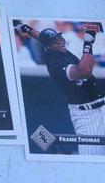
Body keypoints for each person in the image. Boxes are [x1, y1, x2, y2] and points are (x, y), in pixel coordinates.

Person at [15, 23, 105, 155]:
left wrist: (26, 29)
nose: (60, 41)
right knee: (89, 158)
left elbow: (42, 37)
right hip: (87, 115)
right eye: (55, 41)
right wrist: (88, 43)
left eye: (59, 37)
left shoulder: (56, 47)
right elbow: (85, 71)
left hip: (103, 105)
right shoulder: (55, 64)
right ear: (48, 47)